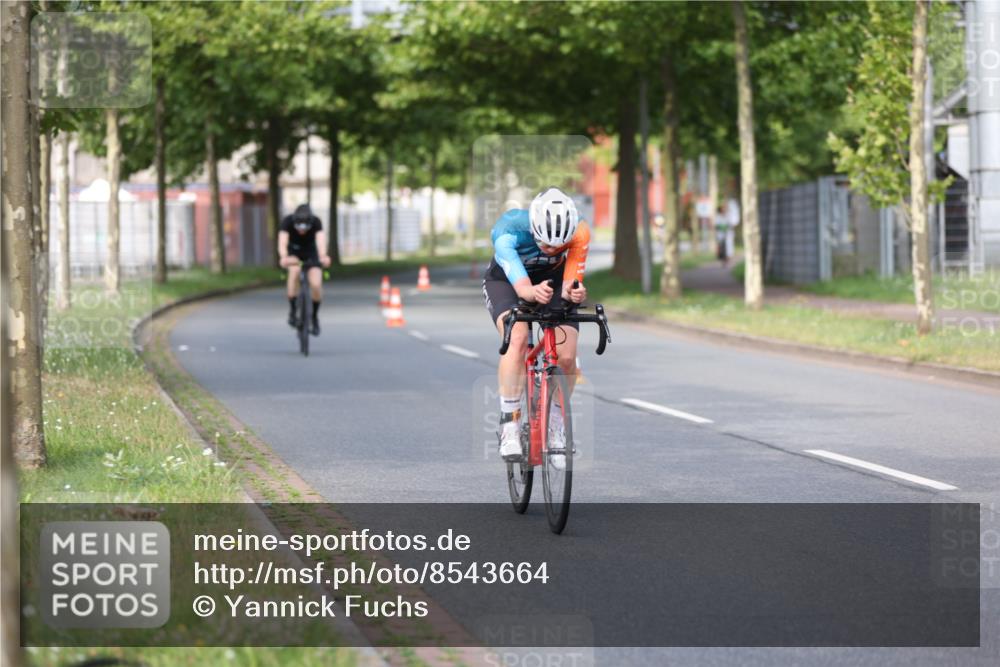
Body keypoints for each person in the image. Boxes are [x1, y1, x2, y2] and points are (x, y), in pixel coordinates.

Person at [483, 187, 590, 470]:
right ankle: (509, 422)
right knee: (517, 336)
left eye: (559, 247)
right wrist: (529, 293)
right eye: (544, 244)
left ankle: (556, 424)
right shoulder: (508, 231)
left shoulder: (580, 232)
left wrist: (575, 292)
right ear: (533, 229)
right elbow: (522, 288)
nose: (552, 250)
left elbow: (570, 284)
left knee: (567, 355)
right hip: (508, 280)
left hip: (551, 281)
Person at [278, 204, 331, 335]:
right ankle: (292, 311)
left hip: (311, 253)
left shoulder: (316, 222)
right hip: (293, 253)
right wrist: (284, 257)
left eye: (305, 227)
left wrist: (323, 256)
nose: (302, 230)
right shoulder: (287, 221)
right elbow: (282, 242)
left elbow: (321, 240)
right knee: (294, 271)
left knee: (316, 283)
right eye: (299, 226)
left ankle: (314, 317)